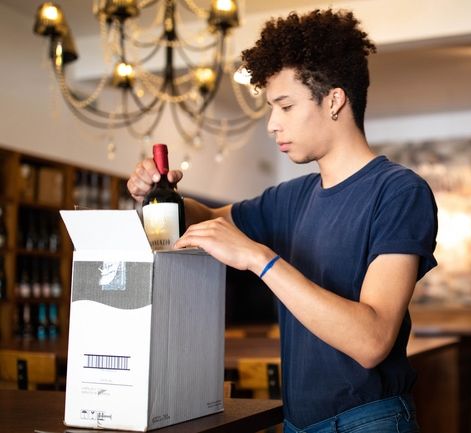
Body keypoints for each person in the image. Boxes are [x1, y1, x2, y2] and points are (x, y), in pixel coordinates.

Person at [127, 8, 438, 433]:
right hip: (297, 422)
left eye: (285, 106)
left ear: (334, 100)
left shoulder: (399, 191)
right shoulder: (290, 198)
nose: (273, 124)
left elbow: (371, 341)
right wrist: (159, 196)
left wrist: (259, 259)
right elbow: (207, 221)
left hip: (369, 419)